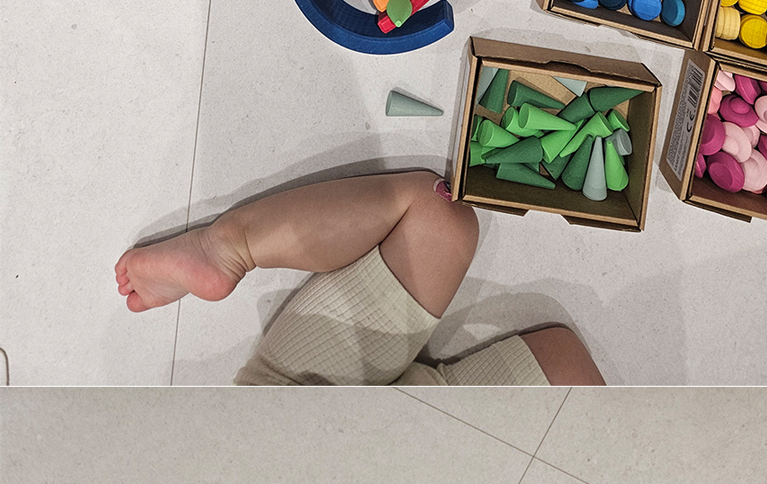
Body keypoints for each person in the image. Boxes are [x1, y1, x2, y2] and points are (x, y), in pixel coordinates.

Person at [115, 167, 603, 385]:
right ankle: (229, 246)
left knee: (440, 215)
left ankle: (227, 248)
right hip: (375, 434)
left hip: (308, 406)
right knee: (565, 367)